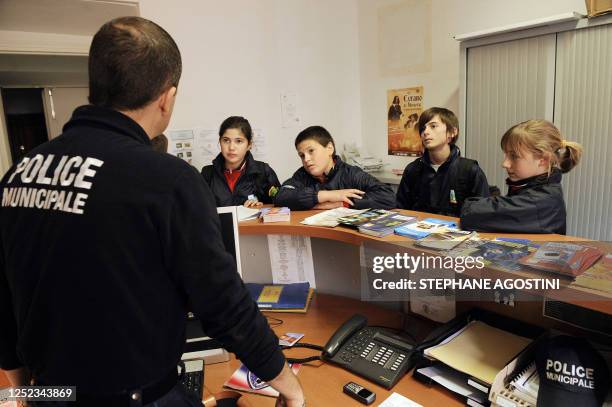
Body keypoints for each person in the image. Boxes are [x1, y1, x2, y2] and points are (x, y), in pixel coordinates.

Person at [0, 16, 304, 407]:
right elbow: (223, 303)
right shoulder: (168, 179)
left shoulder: (18, 174)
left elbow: (5, 298)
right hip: (136, 397)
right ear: (166, 95)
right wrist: (288, 385)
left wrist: (25, 389)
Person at [461, 119, 582, 234]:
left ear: (544, 160)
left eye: (514, 156)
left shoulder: (539, 201)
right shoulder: (531, 188)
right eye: (506, 155)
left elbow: (471, 214)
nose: (505, 164)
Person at [275, 125, 396, 210]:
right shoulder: (302, 175)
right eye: (302, 155)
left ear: (330, 148)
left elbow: (388, 197)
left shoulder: (350, 173)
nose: (306, 159)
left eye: (311, 151)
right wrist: (327, 196)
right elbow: (281, 197)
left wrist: (341, 203)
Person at [396, 107, 489, 216]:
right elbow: (401, 210)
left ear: (452, 132)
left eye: (433, 126)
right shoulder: (413, 169)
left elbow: (482, 215)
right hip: (417, 230)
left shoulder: (469, 170)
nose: (425, 132)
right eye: (422, 128)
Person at [201, 116, 280, 208]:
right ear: (220, 142)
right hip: (220, 223)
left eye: (238, 141)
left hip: (252, 222)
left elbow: (279, 205)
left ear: (249, 145)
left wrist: (261, 207)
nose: (231, 147)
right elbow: (198, 209)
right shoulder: (207, 174)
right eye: (226, 140)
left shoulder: (263, 172)